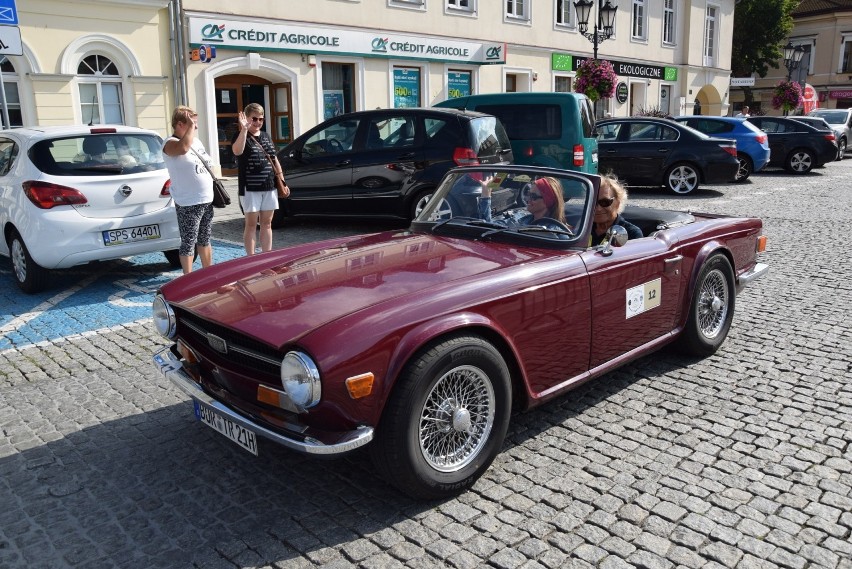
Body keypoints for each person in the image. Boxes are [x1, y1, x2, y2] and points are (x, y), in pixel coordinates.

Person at [162, 105, 215, 274]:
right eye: (192, 123)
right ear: (179, 124)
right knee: (189, 241)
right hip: (188, 201)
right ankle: (188, 277)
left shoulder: (196, 141)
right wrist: (190, 129)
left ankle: (208, 273)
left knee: (205, 239)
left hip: (206, 198)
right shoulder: (169, 143)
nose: (196, 126)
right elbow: (182, 148)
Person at [231, 103, 287, 256]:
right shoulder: (241, 136)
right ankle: (251, 258)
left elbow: (274, 159)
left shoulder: (266, 136)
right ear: (247, 118)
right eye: (254, 119)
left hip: (269, 186)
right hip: (250, 188)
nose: (257, 122)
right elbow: (237, 151)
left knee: (267, 223)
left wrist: (282, 181)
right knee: (250, 225)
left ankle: (266, 255)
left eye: (260, 119)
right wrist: (243, 129)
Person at [477, 176, 568, 227]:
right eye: (528, 194)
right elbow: (487, 227)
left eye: (533, 196)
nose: (527, 199)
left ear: (548, 201)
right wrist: (486, 193)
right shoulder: (519, 218)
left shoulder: (556, 231)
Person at [590, 173, 643, 246]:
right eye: (593, 202)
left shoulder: (631, 234)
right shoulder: (582, 230)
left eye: (605, 202)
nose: (598, 208)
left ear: (617, 203)